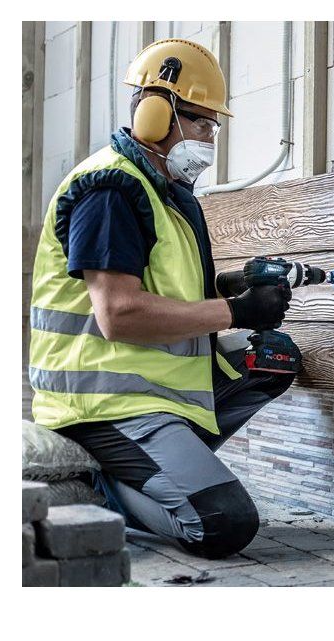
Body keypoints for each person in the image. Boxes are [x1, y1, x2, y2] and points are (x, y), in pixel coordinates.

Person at [28, 38, 295, 559]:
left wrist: (230, 284)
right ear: (156, 113)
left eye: (213, 127)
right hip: (102, 402)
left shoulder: (164, 191)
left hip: (151, 391)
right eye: (202, 124)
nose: (209, 139)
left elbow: (163, 287)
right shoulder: (110, 190)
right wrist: (238, 311)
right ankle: (100, 487)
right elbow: (119, 313)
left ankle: (159, 470)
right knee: (224, 524)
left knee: (273, 357)